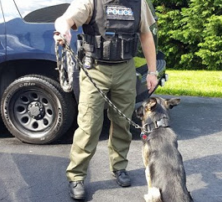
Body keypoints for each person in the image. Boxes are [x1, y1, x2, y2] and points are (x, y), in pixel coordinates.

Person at [54, 0, 158, 200]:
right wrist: (63, 30)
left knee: (122, 122)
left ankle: (119, 167)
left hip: (125, 69)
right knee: (89, 125)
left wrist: (152, 71)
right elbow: (65, 19)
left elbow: (146, 34)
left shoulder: (138, 3)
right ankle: (76, 175)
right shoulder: (91, 1)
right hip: (95, 69)